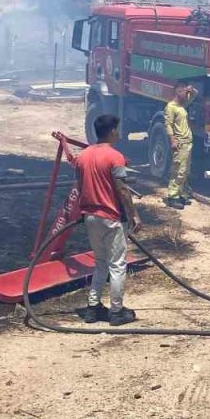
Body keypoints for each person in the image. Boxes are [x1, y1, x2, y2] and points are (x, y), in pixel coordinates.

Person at [70, 113, 142, 325]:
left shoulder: (82, 156)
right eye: (117, 130)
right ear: (111, 132)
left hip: (90, 217)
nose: (118, 133)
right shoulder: (115, 157)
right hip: (110, 216)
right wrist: (134, 214)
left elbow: (79, 185)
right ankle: (117, 311)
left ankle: (93, 308)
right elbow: (121, 188)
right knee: (118, 265)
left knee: (100, 262)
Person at [164, 83, 197, 209]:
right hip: (180, 142)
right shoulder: (171, 107)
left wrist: (190, 89)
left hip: (187, 142)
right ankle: (172, 196)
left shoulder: (182, 106)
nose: (186, 94)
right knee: (178, 170)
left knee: (185, 171)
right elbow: (168, 125)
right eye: (184, 92)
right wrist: (172, 140)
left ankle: (181, 194)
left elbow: (195, 94)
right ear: (178, 92)